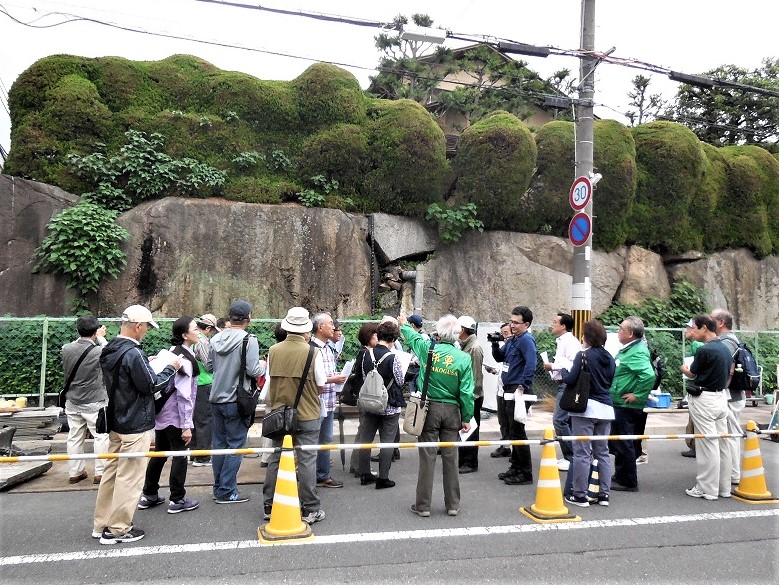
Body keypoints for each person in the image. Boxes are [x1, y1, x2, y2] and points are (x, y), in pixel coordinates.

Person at [93, 304, 180, 545]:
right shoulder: (133, 353)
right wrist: (170, 369)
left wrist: (146, 362)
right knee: (129, 478)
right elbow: (150, 386)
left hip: (116, 419)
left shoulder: (110, 348)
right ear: (138, 326)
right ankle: (119, 528)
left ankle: (101, 524)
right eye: (146, 328)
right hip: (135, 422)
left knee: (111, 473)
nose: (146, 333)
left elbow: (127, 377)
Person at [399, 313, 474, 518]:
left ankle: (423, 506)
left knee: (427, 458)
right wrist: (467, 417)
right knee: (451, 458)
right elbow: (467, 391)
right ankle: (453, 505)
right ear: (458, 335)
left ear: (439, 333)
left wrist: (403, 323)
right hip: (452, 411)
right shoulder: (464, 358)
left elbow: (412, 337)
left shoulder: (427, 350)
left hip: (428, 408)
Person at [263, 307, 328, 525]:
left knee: (277, 457)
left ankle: (270, 505)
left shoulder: (273, 350)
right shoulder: (313, 352)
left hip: (280, 413)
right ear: (306, 329)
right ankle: (310, 508)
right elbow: (321, 384)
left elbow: (269, 381)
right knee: (308, 459)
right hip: (307, 413)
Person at [139, 316, 201, 514]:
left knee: (160, 453)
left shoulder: (169, 353)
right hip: (176, 414)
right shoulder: (185, 361)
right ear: (185, 335)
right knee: (180, 454)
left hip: (161, 412)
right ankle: (177, 498)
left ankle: (149, 494)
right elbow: (185, 395)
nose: (198, 331)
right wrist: (186, 425)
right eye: (195, 328)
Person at [205, 300, 264, 504]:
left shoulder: (215, 339)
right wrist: (264, 365)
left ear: (230, 317)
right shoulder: (249, 340)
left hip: (215, 398)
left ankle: (218, 487)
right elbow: (253, 370)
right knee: (236, 445)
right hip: (237, 400)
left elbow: (210, 366)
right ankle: (227, 490)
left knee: (219, 445)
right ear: (248, 318)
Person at [560, 320, 616, 507]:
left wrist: (561, 369)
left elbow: (570, 378)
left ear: (587, 337)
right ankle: (604, 494)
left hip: (586, 408)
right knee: (603, 453)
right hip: (606, 409)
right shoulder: (610, 357)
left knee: (582, 453)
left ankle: (580, 495)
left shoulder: (583, 355)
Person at [680, 314, 733, 500]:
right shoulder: (725, 348)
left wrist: (684, 369)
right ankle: (724, 488)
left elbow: (692, 373)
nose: (691, 331)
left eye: (693, 327)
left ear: (704, 328)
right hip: (721, 398)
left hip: (705, 399)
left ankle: (707, 489)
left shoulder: (704, 351)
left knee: (707, 444)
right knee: (723, 443)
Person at [490, 306, 537, 486]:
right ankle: (516, 467)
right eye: (511, 321)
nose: (512, 325)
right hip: (509, 389)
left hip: (518, 391)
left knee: (518, 431)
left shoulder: (526, 340)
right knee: (511, 430)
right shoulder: (513, 339)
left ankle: (525, 472)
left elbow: (531, 364)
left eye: (516, 323)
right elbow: (500, 357)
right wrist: (495, 343)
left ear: (526, 324)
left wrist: (523, 386)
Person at [356, 321, 405, 489]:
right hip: (389, 405)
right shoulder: (394, 357)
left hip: (370, 404)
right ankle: (383, 478)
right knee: (387, 441)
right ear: (394, 338)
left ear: (378, 335)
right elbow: (400, 380)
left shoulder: (367, 355)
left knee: (366, 439)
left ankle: (364, 474)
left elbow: (364, 377)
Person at [608, 316, 655, 492]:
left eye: (621, 329)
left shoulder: (637, 351)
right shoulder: (629, 349)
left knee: (624, 441)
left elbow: (648, 375)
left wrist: (637, 395)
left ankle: (628, 480)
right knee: (620, 440)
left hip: (626, 404)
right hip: (620, 401)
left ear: (630, 334)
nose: (618, 331)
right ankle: (621, 474)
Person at [61, 315, 109, 485]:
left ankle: (75, 472)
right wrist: (101, 336)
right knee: (101, 436)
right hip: (95, 400)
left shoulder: (66, 349)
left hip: (72, 401)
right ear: (95, 332)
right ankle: (101, 473)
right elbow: (111, 351)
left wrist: (91, 334)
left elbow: (79, 343)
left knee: (74, 436)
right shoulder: (98, 351)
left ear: (77, 330)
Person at [310, 312, 346, 489]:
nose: (334, 327)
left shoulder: (329, 347)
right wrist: (334, 379)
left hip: (329, 400)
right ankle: (313, 476)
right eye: (330, 324)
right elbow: (315, 377)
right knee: (313, 438)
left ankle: (322, 475)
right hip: (316, 401)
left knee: (326, 439)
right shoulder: (312, 348)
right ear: (319, 328)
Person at [543, 312, 581, 472]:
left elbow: (574, 364)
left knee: (559, 420)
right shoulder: (562, 341)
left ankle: (572, 456)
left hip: (567, 385)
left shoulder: (570, 341)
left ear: (563, 326)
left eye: (555, 322)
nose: (552, 324)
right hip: (563, 384)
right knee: (566, 421)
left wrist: (553, 366)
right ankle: (570, 456)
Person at [711, 308, 744, 486]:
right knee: (728, 435)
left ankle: (733, 475)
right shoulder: (727, 340)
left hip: (731, 395)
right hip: (731, 394)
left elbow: (724, 368)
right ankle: (729, 473)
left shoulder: (728, 341)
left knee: (730, 435)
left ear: (721, 322)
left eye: (711, 319)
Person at [348, 322, 379, 476]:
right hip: (366, 397)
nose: (378, 338)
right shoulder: (367, 354)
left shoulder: (363, 352)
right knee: (364, 431)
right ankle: (359, 466)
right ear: (369, 337)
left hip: (361, 395)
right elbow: (369, 375)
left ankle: (355, 463)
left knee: (362, 431)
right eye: (375, 336)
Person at [190, 313, 221, 466]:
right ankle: (202, 457)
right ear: (208, 328)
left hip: (196, 384)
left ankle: (194, 453)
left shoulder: (192, 339)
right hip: (204, 383)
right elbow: (208, 365)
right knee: (204, 421)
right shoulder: (202, 342)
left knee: (196, 420)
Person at [457, 315, 484, 474]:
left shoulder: (474, 348)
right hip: (469, 395)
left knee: (471, 429)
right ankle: (464, 459)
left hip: (472, 396)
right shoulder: (467, 345)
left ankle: (470, 461)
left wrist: (469, 397)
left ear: (462, 330)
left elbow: (475, 377)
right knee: (465, 429)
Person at [681, 318, 706, 458]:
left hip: (699, 387)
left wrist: (685, 370)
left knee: (695, 419)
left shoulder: (696, 344)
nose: (687, 331)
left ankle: (695, 447)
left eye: (689, 328)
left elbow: (694, 370)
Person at [488, 322, 512, 458]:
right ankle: (505, 445)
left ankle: (513, 448)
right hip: (501, 388)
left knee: (511, 421)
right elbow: (499, 359)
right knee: (502, 420)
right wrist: (494, 344)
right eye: (502, 334)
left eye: (506, 333)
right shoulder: (507, 345)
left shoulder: (517, 345)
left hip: (511, 390)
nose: (504, 336)